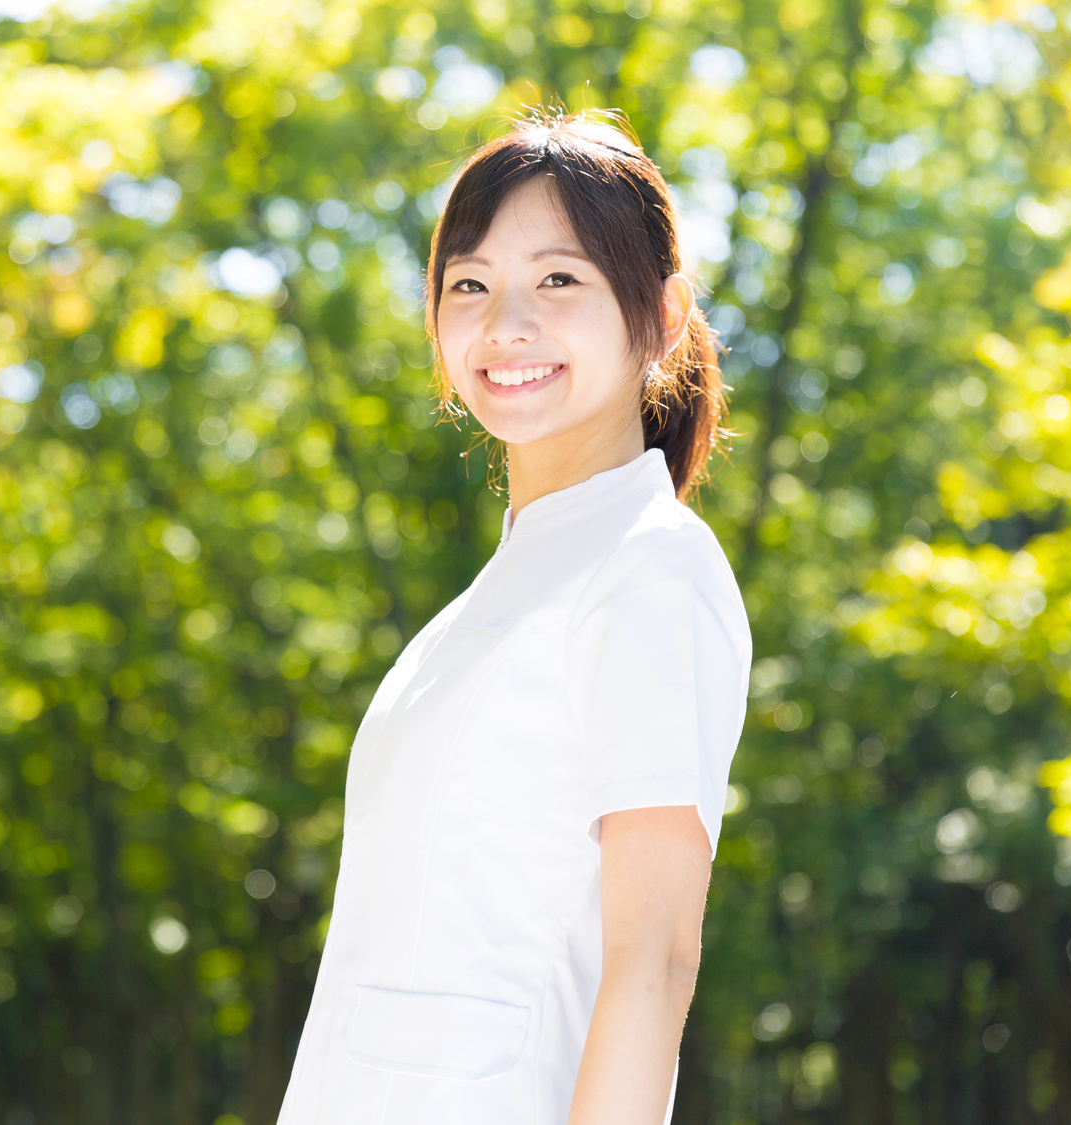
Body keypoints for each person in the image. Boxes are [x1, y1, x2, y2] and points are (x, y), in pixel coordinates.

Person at [276, 108, 753, 1125]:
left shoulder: (650, 569)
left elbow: (655, 957)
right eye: (469, 285)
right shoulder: (478, 610)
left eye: (558, 280)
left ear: (662, 318)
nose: (504, 326)